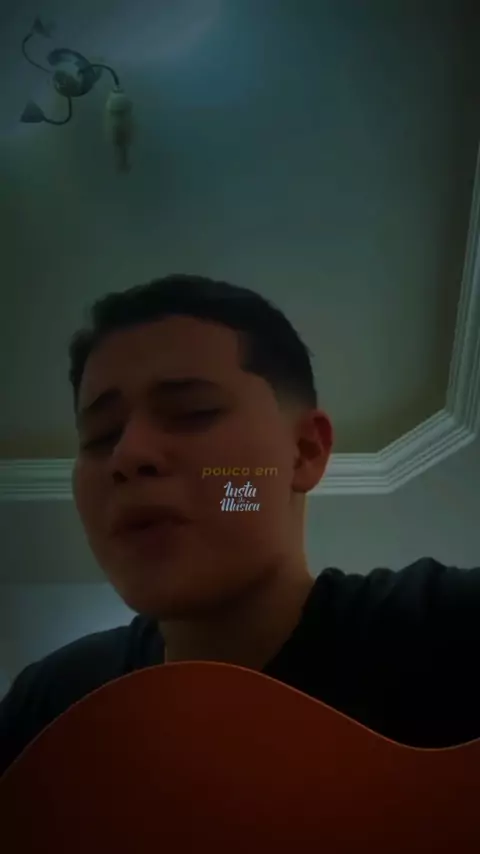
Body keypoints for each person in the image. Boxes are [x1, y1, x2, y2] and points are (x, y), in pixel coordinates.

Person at [1, 273, 479, 777]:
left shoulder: (449, 633)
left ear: (304, 451)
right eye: (100, 436)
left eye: (193, 412)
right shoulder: (51, 708)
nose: (127, 455)